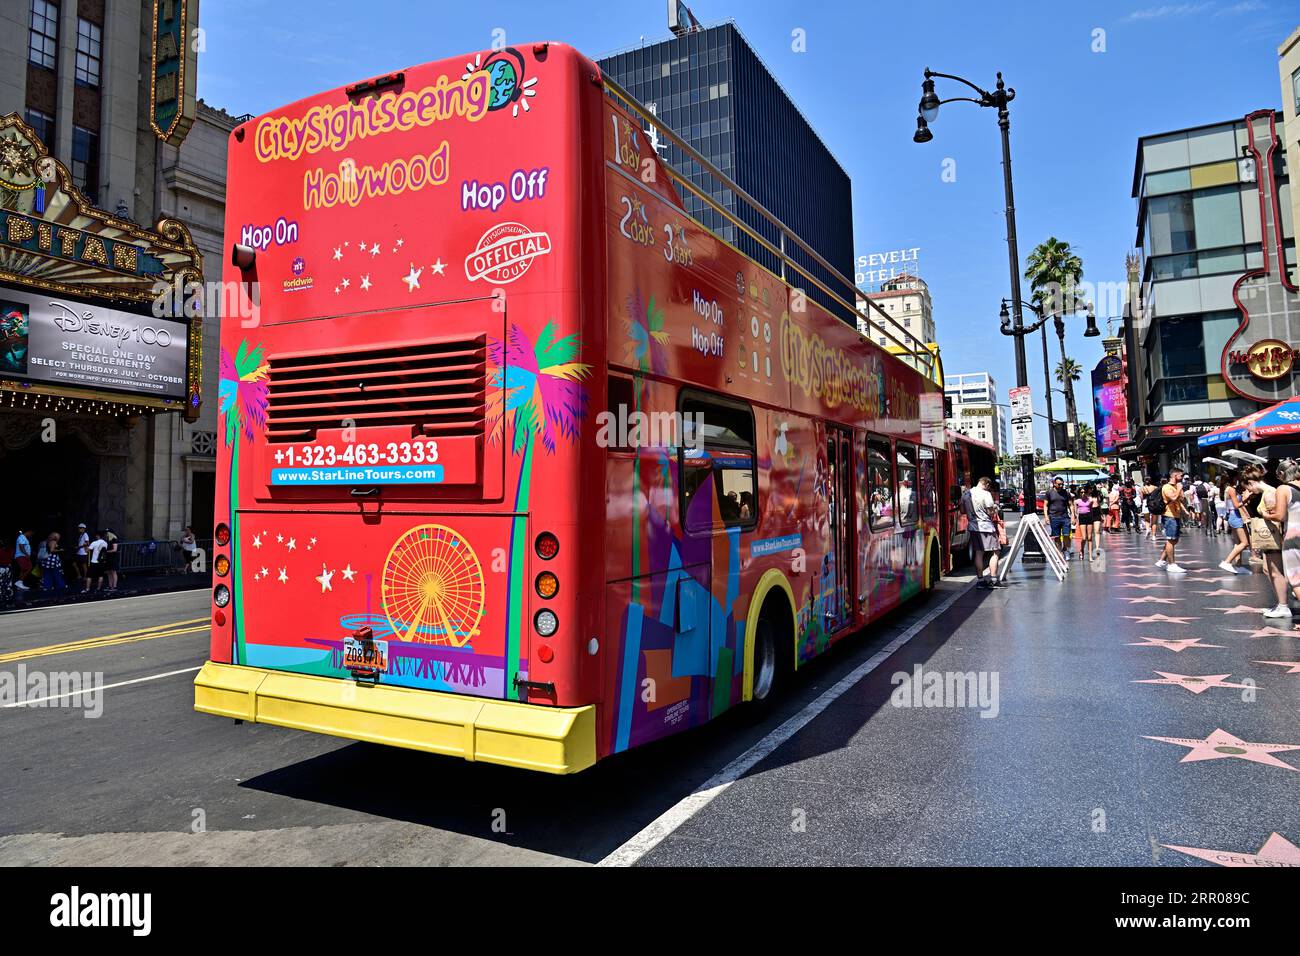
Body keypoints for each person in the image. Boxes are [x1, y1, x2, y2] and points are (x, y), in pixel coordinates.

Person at [1244, 464, 1289, 617]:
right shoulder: (1267, 492)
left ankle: (1283, 605)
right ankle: (1280, 603)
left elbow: (1277, 517)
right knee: (1267, 569)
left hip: (1273, 537)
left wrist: (1263, 514)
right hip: (1271, 538)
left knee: (1276, 572)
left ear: (1251, 482)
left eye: (1249, 488)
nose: (1249, 491)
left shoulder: (1269, 493)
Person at [971, 477, 1001, 587]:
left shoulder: (967, 493)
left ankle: (980, 580)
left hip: (973, 526)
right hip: (986, 527)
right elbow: (990, 512)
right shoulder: (986, 494)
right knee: (995, 551)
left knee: (979, 552)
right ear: (987, 484)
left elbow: (963, 510)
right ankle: (993, 579)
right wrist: (996, 508)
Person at [1157, 468, 1187, 574]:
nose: (1182, 478)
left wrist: (1180, 490)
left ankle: (1161, 560)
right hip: (1169, 516)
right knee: (1170, 539)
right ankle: (1171, 564)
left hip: (1176, 515)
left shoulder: (1177, 486)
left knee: (1174, 540)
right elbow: (1173, 497)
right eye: (1181, 476)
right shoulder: (1166, 487)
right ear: (1175, 476)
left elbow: (1182, 498)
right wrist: (1178, 489)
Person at [1220, 475, 1251, 574]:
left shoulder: (1229, 488)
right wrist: (1246, 499)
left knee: (1238, 542)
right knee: (1245, 543)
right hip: (1236, 516)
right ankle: (1227, 562)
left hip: (1233, 516)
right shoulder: (1231, 489)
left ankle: (1238, 565)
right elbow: (1237, 505)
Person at [1043, 475, 1075, 559]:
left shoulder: (1066, 493)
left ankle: (1065, 549)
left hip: (1065, 517)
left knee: (1066, 535)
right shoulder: (1049, 493)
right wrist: (1046, 517)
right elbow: (1045, 505)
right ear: (1054, 484)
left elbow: (1071, 505)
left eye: (1062, 484)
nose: (1061, 486)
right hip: (1054, 517)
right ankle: (1059, 552)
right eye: (1059, 484)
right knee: (1056, 537)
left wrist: (1073, 516)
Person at [41, 531, 66, 596]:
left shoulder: (48, 541)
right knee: (57, 573)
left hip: (48, 560)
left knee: (48, 574)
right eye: (58, 536)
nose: (59, 538)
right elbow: (52, 550)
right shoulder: (53, 542)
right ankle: (60, 586)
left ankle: (47, 587)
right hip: (52, 560)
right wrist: (60, 550)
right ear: (55, 537)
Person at [13, 527, 32, 592]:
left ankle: (19, 585)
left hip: (23, 556)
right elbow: (21, 547)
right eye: (31, 533)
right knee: (28, 568)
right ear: (28, 532)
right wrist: (26, 554)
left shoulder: (23, 537)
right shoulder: (21, 537)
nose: (31, 535)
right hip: (22, 556)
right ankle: (19, 582)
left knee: (24, 569)